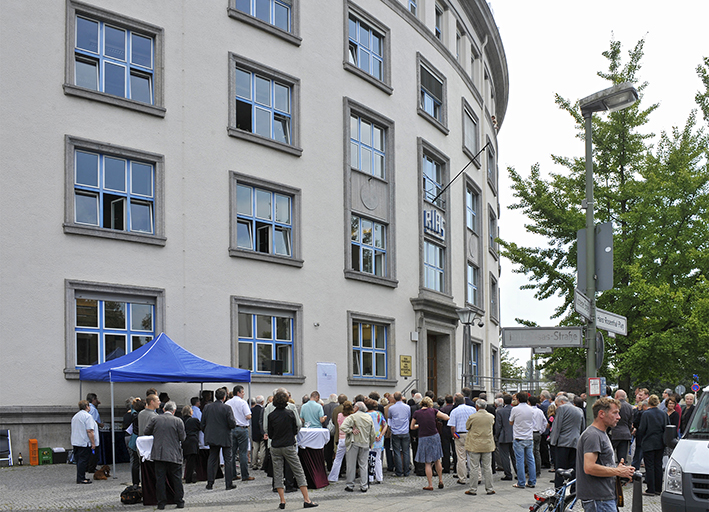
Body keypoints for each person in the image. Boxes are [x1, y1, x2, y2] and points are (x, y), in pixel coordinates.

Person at [576, 397, 635, 512]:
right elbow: (589, 467)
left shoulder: (601, 433)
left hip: (603, 497)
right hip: (599, 499)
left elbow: (601, 464)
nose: (619, 417)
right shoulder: (593, 435)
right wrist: (618, 471)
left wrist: (619, 471)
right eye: (615, 413)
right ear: (601, 414)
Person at [267, 391, 318, 509]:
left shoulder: (271, 415)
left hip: (276, 446)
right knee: (298, 471)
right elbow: (295, 429)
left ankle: (282, 501)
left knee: (278, 473)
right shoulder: (290, 414)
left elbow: (270, 433)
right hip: (288, 445)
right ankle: (306, 499)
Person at [145, 401, 186, 510]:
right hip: (174, 453)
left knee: (160, 479)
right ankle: (179, 501)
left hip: (159, 453)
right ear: (174, 411)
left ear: (164, 409)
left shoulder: (155, 419)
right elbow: (183, 438)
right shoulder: (178, 421)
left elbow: (146, 431)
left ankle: (161, 503)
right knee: (177, 478)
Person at [201, 388, 237, 490]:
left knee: (212, 459)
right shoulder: (227, 408)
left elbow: (202, 423)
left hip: (212, 436)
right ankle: (228, 483)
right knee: (228, 460)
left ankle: (210, 483)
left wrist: (207, 432)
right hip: (225, 436)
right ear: (224, 397)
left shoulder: (207, 407)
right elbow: (232, 423)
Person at [411, 396, 449, 491]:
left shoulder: (417, 413)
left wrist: (419, 425)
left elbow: (412, 427)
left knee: (427, 462)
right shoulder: (433, 411)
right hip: (434, 436)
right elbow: (446, 417)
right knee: (437, 460)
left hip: (423, 437)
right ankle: (440, 480)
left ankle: (430, 484)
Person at [340, 401, 376, 492]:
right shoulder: (368, 417)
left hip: (354, 442)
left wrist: (351, 431)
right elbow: (372, 433)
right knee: (363, 465)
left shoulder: (352, 417)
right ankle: (364, 486)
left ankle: (350, 485)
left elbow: (343, 427)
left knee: (351, 465)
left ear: (356, 408)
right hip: (365, 443)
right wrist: (370, 442)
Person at [549, 394, 584, 490]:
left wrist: (553, 442)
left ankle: (559, 490)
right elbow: (582, 427)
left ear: (562, 402)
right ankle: (574, 489)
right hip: (575, 442)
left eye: (556, 405)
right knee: (573, 468)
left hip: (562, 442)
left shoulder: (562, 409)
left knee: (560, 468)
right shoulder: (579, 410)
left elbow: (557, 426)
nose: (556, 407)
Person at [638, 394, 669, 495]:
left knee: (649, 466)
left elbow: (642, 429)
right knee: (658, 465)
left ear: (649, 402)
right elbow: (667, 427)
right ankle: (658, 489)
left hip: (648, 442)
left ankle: (650, 489)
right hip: (660, 442)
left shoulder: (646, 414)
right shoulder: (664, 414)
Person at [464, 399, 495, 496]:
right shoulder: (491, 417)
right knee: (487, 467)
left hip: (475, 444)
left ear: (477, 406)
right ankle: (490, 488)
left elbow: (467, 427)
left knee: (474, 467)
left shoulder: (473, 417)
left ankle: (473, 489)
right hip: (487, 444)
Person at [225, 385, 253, 482]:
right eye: (243, 392)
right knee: (243, 452)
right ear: (238, 393)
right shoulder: (243, 402)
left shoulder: (227, 403)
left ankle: (233, 474)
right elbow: (248, 416)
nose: (243, 394)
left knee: (232, 453)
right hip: (242, 428)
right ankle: (245, 474)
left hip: (231, 429)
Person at [509, 392, 536, 489]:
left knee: (519, 461)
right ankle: (532, 481)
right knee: (531, 460)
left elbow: (511, 422)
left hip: (519, 437)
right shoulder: (531, 409)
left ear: (518, 399)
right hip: (529, 437)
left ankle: (521, 482)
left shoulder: (515, 409)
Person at [448, 393, 476, 484]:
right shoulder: (472, 409)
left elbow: (452, 427)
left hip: (460, 434)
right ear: (464, 401)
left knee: (461, 458)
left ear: (455, 402)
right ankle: (477, 477)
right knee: (473, 456)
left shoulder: (454, 411)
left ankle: (462, 478)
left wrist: (455, 435)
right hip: (471, 434)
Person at [71, 400, 96, 484]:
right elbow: (90, 431)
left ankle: (80, 476)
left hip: (76, 441)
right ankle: (81, 478)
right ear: (87, 407)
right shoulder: (88, 416)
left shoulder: (75, 416)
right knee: (83, 461)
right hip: (84, 442)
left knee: (79, 461)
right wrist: (93, 442)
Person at [328, 401, 353, 482]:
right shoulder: (352, 416)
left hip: (341, 438)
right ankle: (350, 477)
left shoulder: (339, 415)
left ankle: (333, 477)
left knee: (338, 459)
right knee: (350, 460)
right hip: (349, 439)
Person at [387, 391, 412, 477]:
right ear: (401, 397)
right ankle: (406, 471)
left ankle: (399, 471)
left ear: (394, 398)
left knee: (397, 452)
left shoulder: (391, 408)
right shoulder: (407, 407)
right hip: (405, 431)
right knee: (406, 451)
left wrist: (391, 428)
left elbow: (390, 418)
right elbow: (408, 417)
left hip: (395, 432)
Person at [365, 399, 387, 484]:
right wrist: (381, 435)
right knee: (378, 459)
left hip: (369, 439)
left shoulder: (366, 415)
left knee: (369, 458)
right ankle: (379, 477)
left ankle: (370, 478)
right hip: (379, 439)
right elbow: (385, 425)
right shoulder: (379, 414)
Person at [495, 394, 515, 481]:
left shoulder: (500, 411)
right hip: (514, 435)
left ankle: (508, 474)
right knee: (514, 456)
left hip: (503, 436)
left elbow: (498, 425)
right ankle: (518, 472)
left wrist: (496, 435)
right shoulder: (515, 410)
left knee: (505, 456)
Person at [610, 389, 634, 464]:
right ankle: (622, 469)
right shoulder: (629, 406)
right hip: (625, 433)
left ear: (616, 396)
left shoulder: (614, 406)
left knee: (609, 455)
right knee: (622, 458)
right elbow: (630, 421)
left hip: (614, 433)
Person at [181, 405, 200, 484]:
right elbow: (201, 427)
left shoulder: (181, 420)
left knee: (187, 460)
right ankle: (190, 477)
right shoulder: (194, 420)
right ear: (190, 412)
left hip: (184, 441)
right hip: (192, 440)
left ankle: (188, 476)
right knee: (192, 461)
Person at [439, 395, 456, 474]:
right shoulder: (455, 408)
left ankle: (446, 467)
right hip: (454, 430)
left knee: (446, 449)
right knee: (455, 449)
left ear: (446, 402)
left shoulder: (443, 409)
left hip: (445, 430)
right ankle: (456, 467)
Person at [251, 395, 266, 471]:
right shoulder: (263, 410)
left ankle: (254, 463)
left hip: (254, 431)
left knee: (255, 448)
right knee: (262, 449)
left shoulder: (252, 410)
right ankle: (262, 464)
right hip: (262, 431)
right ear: (262, 402)